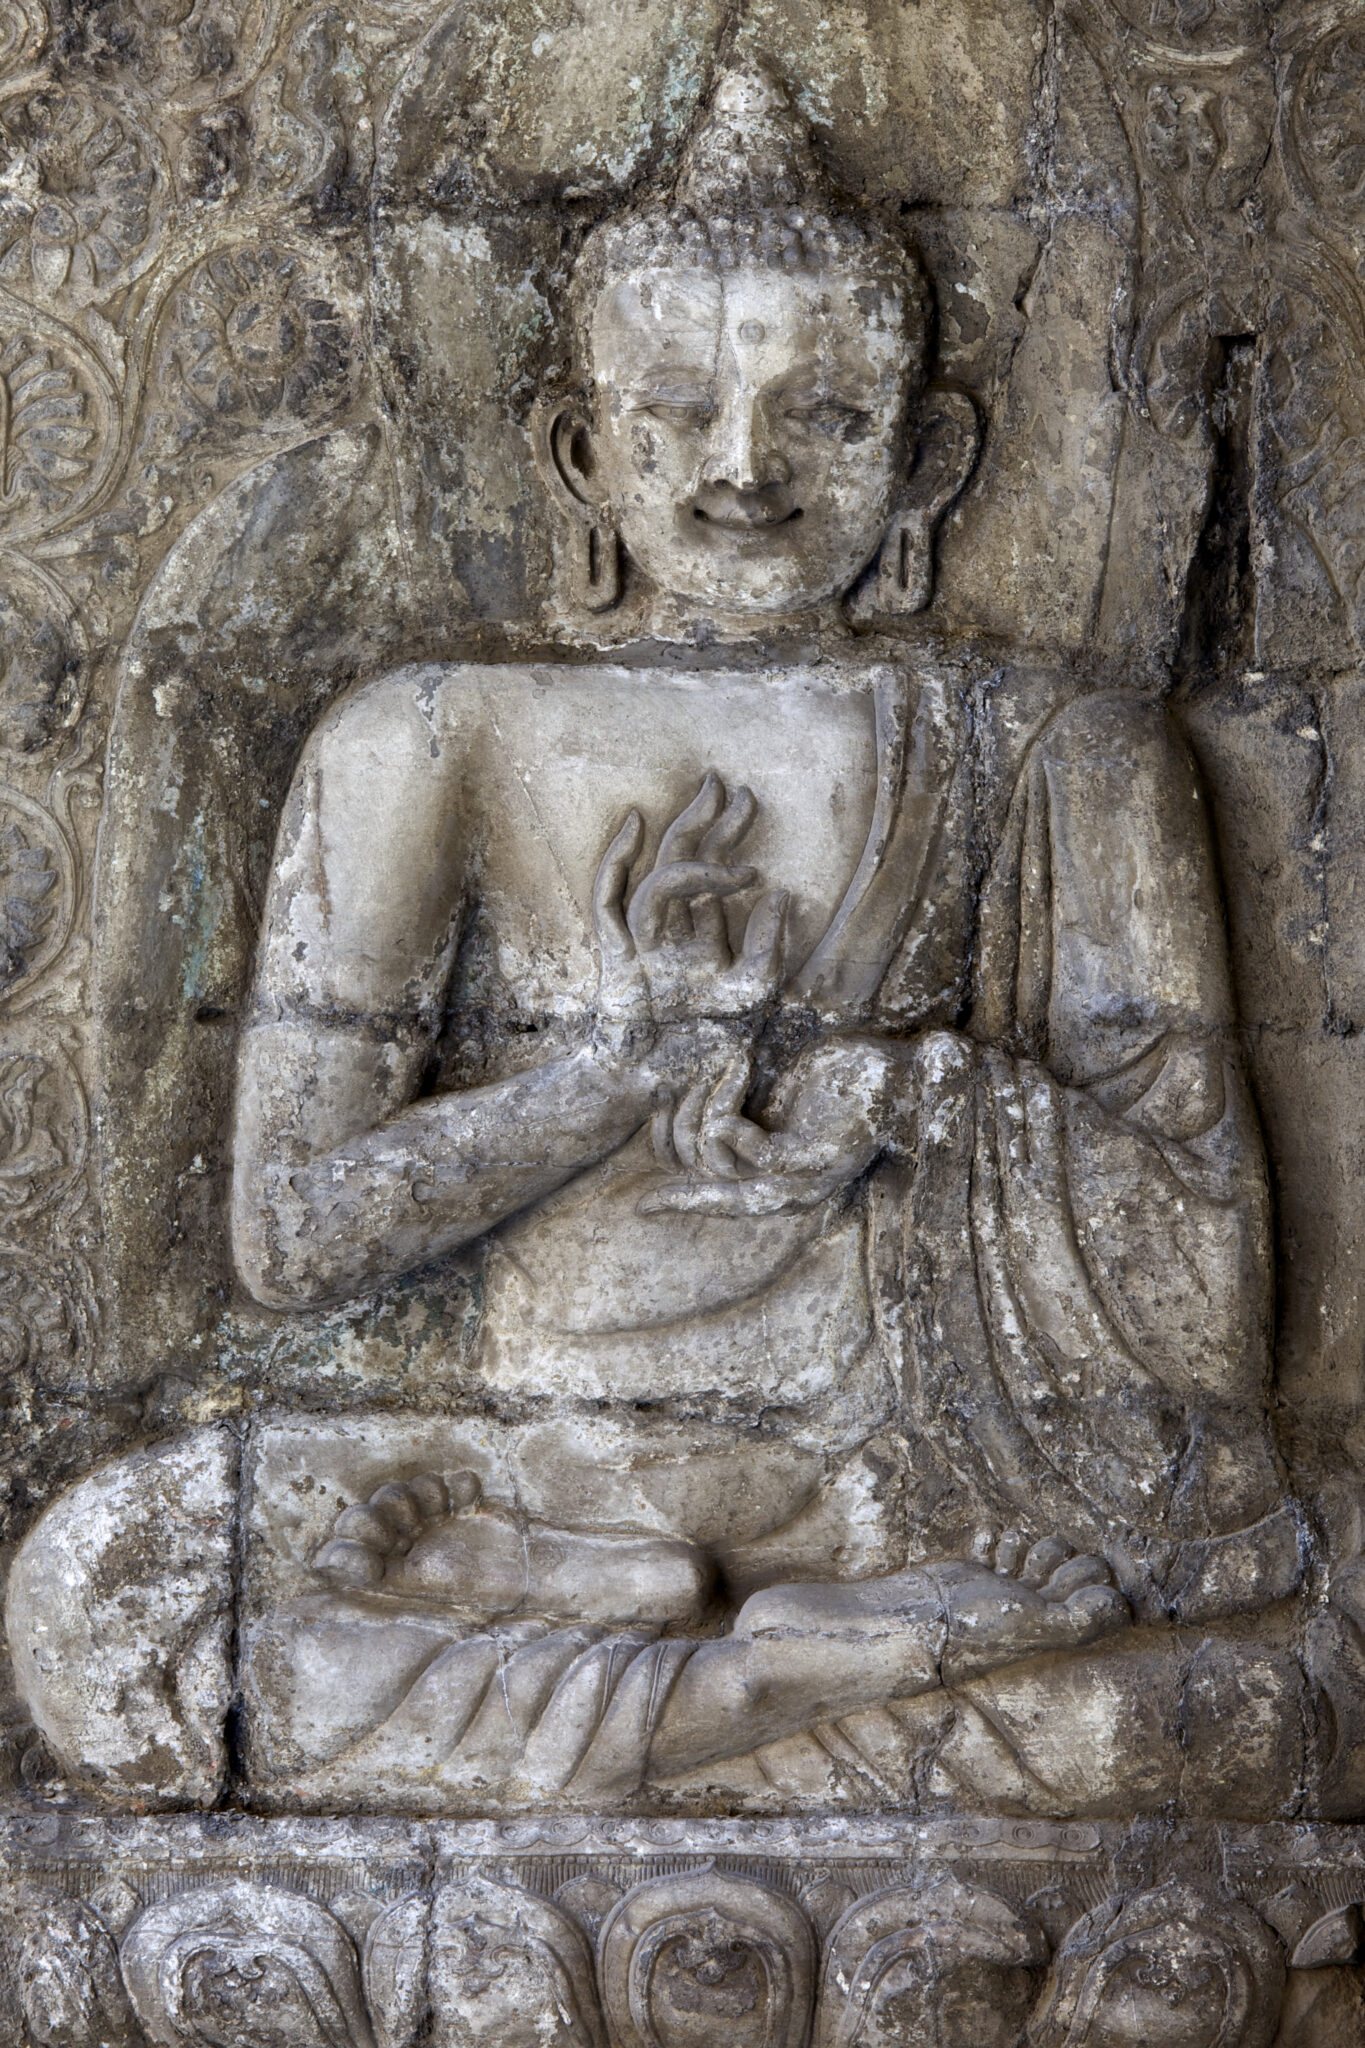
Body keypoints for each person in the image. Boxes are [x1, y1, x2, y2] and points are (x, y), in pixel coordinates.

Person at [225, 66, 1292, 1806]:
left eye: (823, 415)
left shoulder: (1060, 751)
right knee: (95, 1619)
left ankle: (757, 1678)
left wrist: (906, 1103)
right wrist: (610, 1077)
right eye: (672, 409)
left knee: (1259, 1707)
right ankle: (766, 1680)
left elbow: (1204, 1293)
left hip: (913, 1492)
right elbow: (286, 1240)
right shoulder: (426, 733)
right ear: (578, 445)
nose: (740, 470)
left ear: (927, 451)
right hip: (531, 1501)